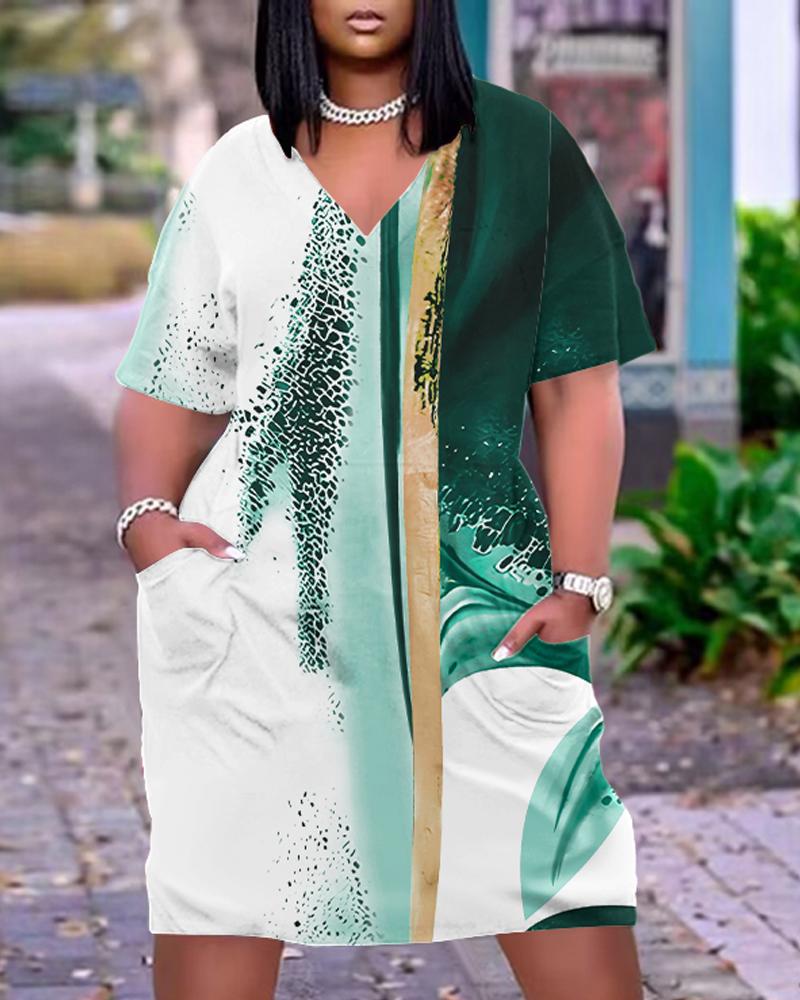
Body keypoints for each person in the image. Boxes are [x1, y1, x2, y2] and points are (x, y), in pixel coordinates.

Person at [112, 1, 657, 998]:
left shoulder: (522, 152)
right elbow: (169, 382)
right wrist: (149, 526)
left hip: (481, 623)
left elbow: (578, 387)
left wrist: (579, 580)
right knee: (220, 891)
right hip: (254, 618)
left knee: (562, 883)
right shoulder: (237, 170)